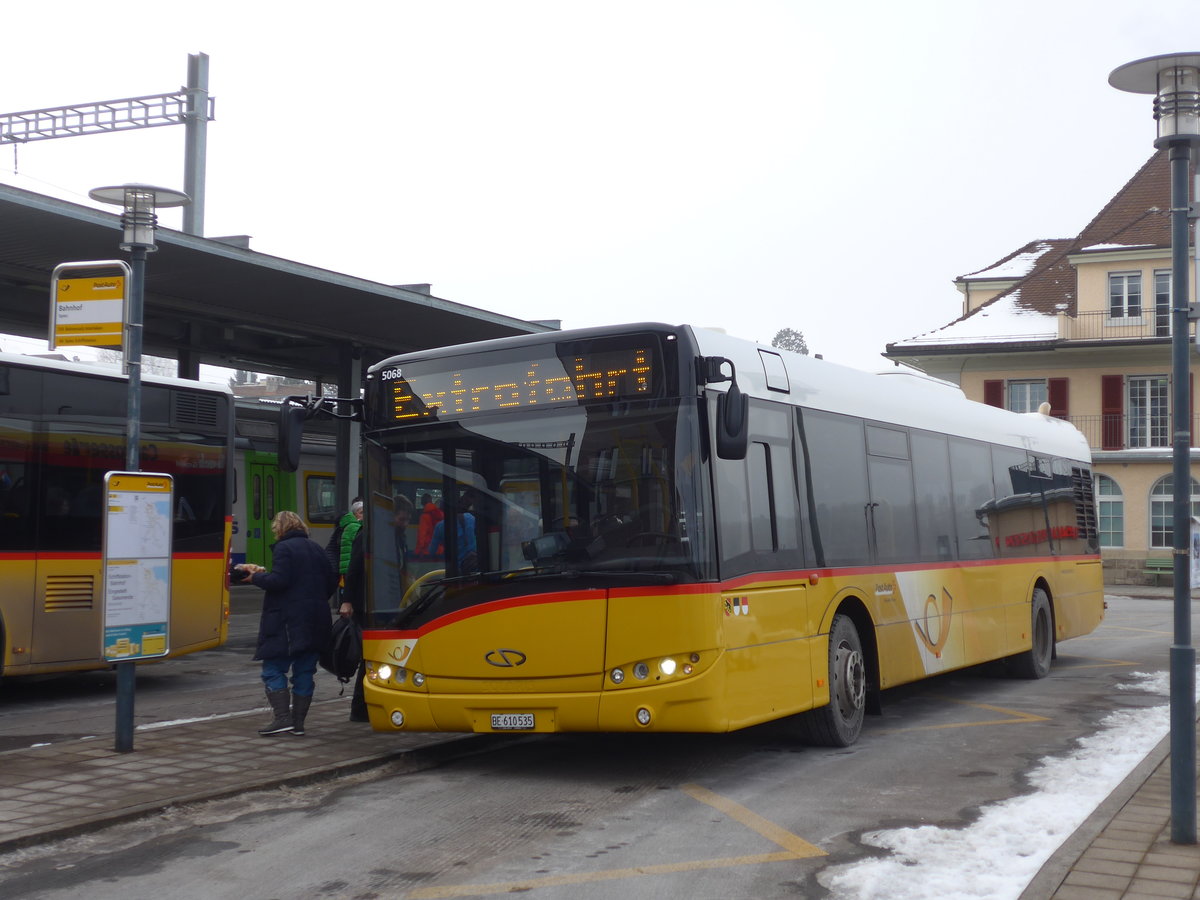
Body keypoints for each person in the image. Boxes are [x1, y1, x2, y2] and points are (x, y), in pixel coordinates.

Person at [238, 510, 337, 736]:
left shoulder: (284, 548)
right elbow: (331, 581)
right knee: (304, 671)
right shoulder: (317, 549)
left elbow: (279, 580)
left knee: (273, 668)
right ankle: (298, 724)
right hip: (316, 620)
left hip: (288, 622)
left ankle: (283, 718)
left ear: (280, 529)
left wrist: (255, 577)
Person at [339, 528, 369, 722]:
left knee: (370, 657)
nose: (405, 522)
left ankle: (362, 709)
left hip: (381, 602)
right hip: (365, 604)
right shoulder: (366, 535)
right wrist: (347, 600)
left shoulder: (395, 532)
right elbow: (354, 569)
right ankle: (359, 709)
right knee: (367, 657)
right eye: (403, 518)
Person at [326, 498, 363, 602]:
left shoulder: (347, 525)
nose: (364, 515)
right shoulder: (354, 527)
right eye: (361, 513)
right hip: (350, 568)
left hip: (345, 567)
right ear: (355, 515)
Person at [415, 493, 443, 558]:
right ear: (431, 501)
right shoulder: (441, 514)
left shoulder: (424, 516)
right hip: (440, 550)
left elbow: (422, 535)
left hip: (427, 551)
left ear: (422, 503)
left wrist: (418, 551)